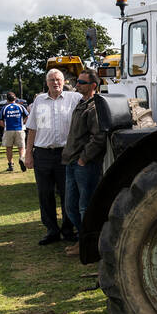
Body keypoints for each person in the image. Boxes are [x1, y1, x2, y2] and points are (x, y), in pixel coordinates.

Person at [23, 69, 82, 246]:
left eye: (58, 79)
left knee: (68, 194)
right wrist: (28, 154)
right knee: (45, 193)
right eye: (51, 80)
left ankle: (68, 229)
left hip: (65, 153)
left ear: (63, 82)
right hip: (42, 154)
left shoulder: (74, 98)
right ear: (46, 83)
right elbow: (32, 128)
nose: (55, 83)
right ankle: (51, 230)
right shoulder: (39, 101)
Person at [62, 71, 107, 255]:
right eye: (77, 81)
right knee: (71, 206)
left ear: (93, 86)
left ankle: (90, 245)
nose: (77, 84)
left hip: (84, 164)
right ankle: (83, 240)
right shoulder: (82, 104)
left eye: (81, 82)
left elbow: (99, 137)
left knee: (84, 207)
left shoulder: (94, 107)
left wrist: (84, 159)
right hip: (72, 161)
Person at [0, 92, 28, 172]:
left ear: (7, 100)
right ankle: (22, 158)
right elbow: (27, 116)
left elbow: (0, 122)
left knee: (9, 148)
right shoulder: (21, 107)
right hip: (20, 129)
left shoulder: (4, 108)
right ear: (15, 99)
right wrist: (24, 123)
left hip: (8, 130)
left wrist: (5, 127)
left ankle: (10, 165)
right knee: (21, 147)